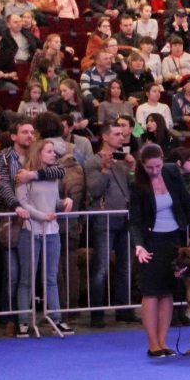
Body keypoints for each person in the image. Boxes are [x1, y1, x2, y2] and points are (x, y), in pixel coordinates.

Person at [128, 143, 190, 357]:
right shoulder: (137, 184)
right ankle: (153, 345)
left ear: (162, 160)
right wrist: (139, 245)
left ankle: (163, 342)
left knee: (167, 292)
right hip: (151, 241)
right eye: (149, 167)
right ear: (142, 165)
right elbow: (135, 221)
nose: (154, 170)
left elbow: (187, 201)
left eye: (158, 166)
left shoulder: (171, 172)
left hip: (174, 239)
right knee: (151, 292)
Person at [13, 139, 74, 337]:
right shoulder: (24, 176)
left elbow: (53, 202)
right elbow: (23, 204)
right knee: (27, 278)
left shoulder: (52, 176)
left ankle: (56, 318)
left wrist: (64, 202)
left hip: (52, 232)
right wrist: (42, 216)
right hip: (30, 231)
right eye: (49, 151)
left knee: (51, 278)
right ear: (38, 153)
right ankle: (23, 321)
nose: (54, 155)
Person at [85, 122, 134, 327]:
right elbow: (94, 191)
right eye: (117, 134)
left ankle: (124, 310)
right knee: (101, 267)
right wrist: (105, 170)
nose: (122, 137)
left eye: (122, 134)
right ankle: (97, 314)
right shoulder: (93, 161)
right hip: (104, 218)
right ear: (105, 137)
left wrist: (132, 169)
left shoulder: (123, 160)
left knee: (126, 267)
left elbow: (133, 187)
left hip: (125, 217)